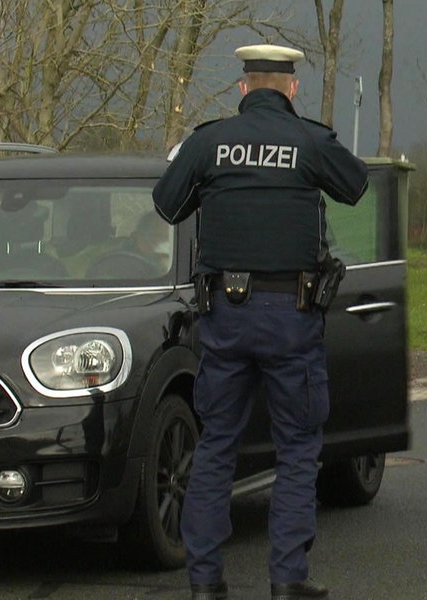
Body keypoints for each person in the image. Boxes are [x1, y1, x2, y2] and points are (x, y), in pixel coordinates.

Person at [152, 44, 369, 600]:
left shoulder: (208, 140)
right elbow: (356, 185)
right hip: (291, 319)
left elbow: (166, 204)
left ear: (244, 89)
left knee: (218, 441)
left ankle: (204, 582)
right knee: (297, 447)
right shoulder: (310, 141)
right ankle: (287, 579)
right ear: (291, 89)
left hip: (225, 316)